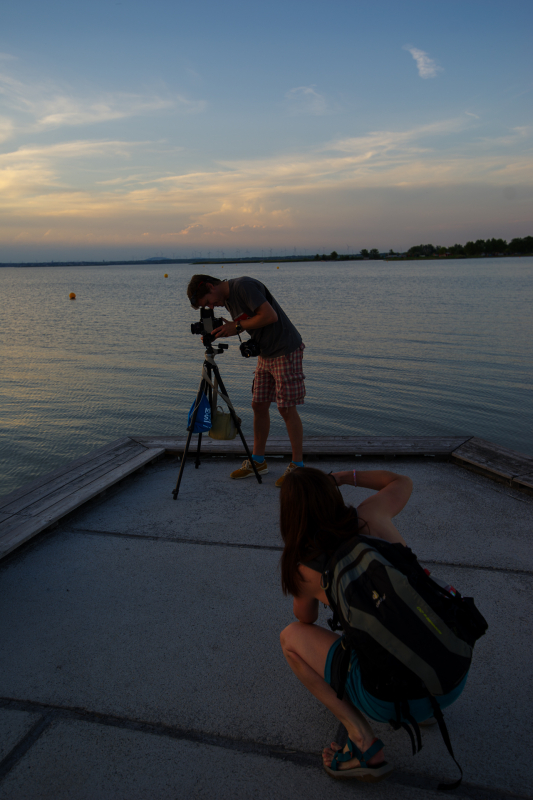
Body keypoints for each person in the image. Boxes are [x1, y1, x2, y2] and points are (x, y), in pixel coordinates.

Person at [279, 467, 468, 782]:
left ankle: (362, 743)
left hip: (390, 703)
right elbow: (402, 480)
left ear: (290, 516)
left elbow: (306, 620)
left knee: (290, 639)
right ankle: (426, 709)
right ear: (332, 495)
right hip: (454, 676)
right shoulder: (372, 515)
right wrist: (343, 476)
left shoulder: (303, 568)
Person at [187, 274, 306, 486]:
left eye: (208, 302)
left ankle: (298, 466)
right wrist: (228, 329)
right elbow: (249, 321)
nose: (212, 307)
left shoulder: (243, 286)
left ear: (209, 286)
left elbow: (270, 316)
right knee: (258, 405)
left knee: (286, 408)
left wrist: (237, 327)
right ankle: (258, 461)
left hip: (285, 349)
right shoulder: (229, 300)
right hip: (265, 354)